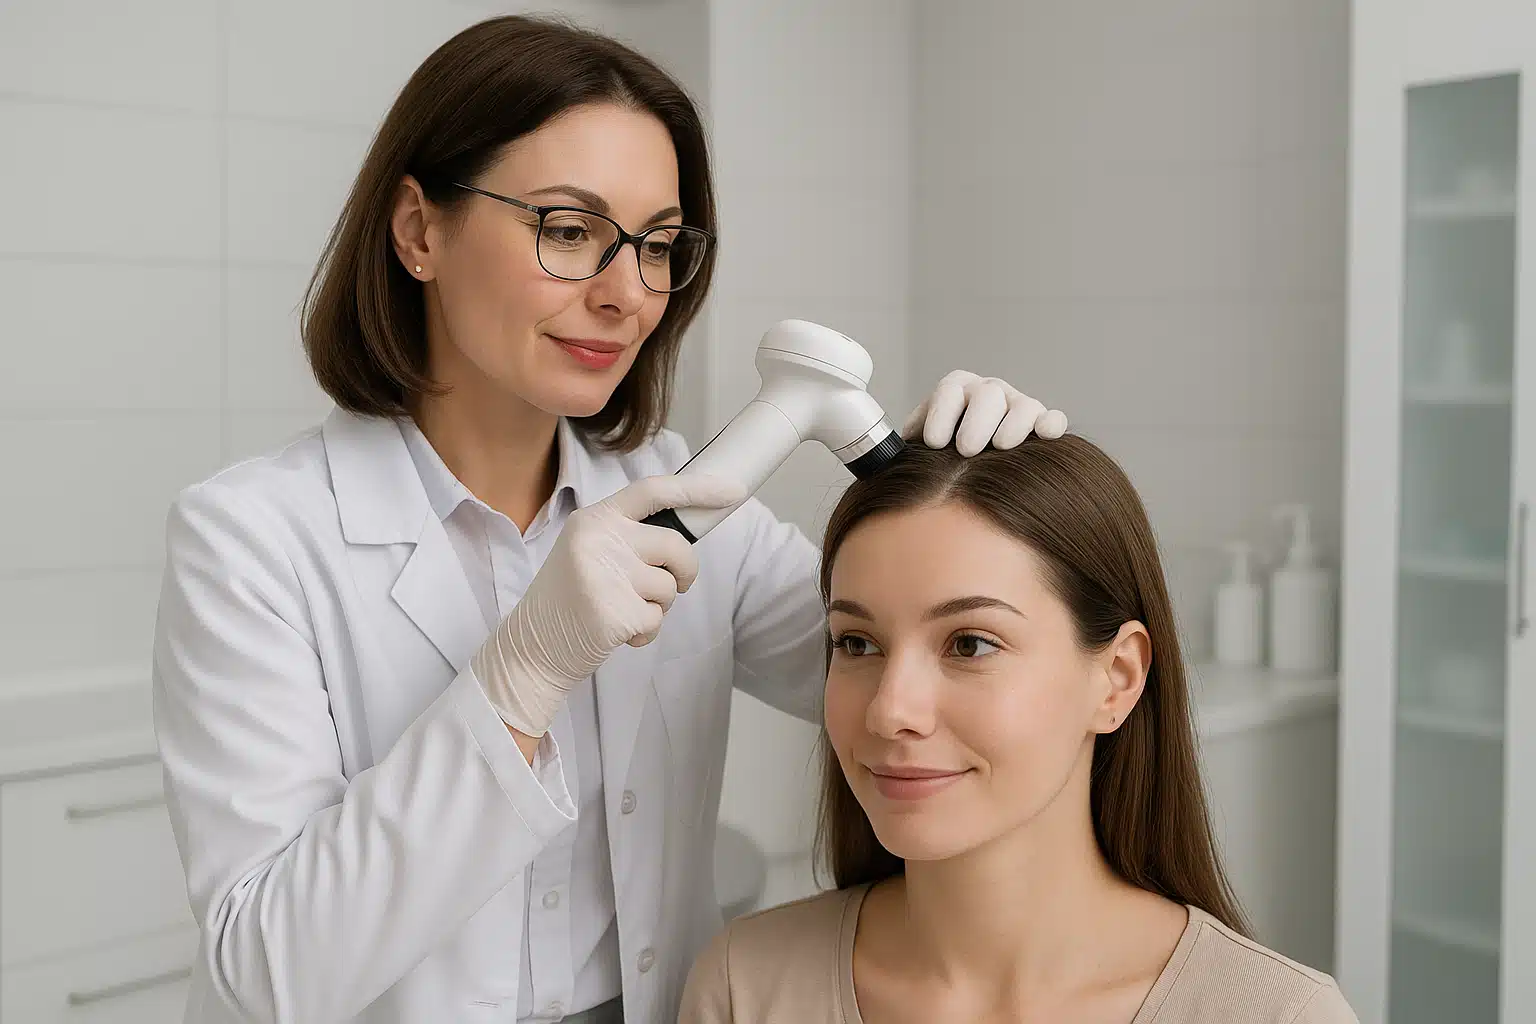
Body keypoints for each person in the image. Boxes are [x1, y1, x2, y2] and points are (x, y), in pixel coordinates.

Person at [150, 14, 1065, 1024]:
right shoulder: (251, 539)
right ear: (420, 230)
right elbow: (268, 973)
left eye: (660, 245)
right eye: (570, 230)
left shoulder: (689, 497)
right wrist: (521, 671)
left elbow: (913, 686)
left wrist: (992, 498)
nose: (629, 293)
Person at [679, 436, 1359, 1024]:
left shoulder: (1278, 1014)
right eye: (857, 643)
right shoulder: (747, 987)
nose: (890, 710)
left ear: (1117, 677)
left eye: (970, 644)